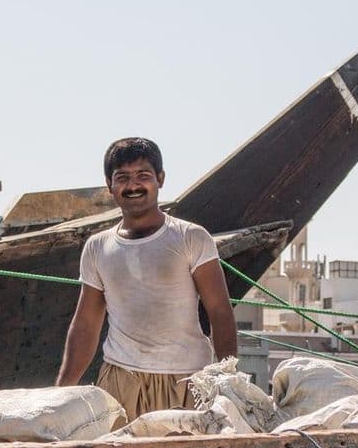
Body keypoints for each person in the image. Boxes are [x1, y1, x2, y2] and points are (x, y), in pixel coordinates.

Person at [56, 137, 237, 422]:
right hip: (120, 381)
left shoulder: (191, 237)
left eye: (143, 175)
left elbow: (220, 311)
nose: (133, 185)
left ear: (160, 179)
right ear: (109, 185)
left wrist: (227, 382)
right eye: (123, 178)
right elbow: (86, 324)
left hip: (187, 382)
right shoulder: (97, 247)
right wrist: (62, 392)